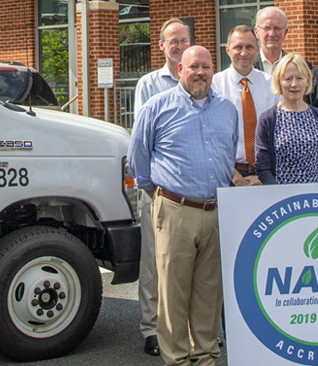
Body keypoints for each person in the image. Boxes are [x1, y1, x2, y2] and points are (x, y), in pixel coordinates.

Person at [127, 46, 237, 366]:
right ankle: (176, 359)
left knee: (208, 293)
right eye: (193, 67)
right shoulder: (157, 107)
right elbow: (138, 161)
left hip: (215, 210)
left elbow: (229, 153)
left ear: (213, 69)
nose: (200, 72)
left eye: (205, 66)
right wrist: (158, 195)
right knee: (173, 293)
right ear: (179, 70)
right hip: (175, 210)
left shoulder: (227, 110)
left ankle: (204, 356)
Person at [130, 17, 190, 357]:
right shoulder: (149, 84)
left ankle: (188, 327)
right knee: (154, 261)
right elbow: (142, 138)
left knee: (191, 261)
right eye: (173, 41)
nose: (179, 45)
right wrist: (147, 183)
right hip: (158, 189)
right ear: (162, 46)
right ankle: (151, 329)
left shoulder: (200, 79)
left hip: (194, 189)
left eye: (184, 40)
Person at [256, 53, 318, 184]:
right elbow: (263, 166)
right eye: (288, 79)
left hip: (316, 196)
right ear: (279, 81)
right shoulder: (268, 120)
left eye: (299, 78)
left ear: (307, 81)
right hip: (281, 198)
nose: (294, 84)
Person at [212, 25, 279, 186]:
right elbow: (210, 136)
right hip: (227, 175)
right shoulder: (214, 87)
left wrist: (264, 174)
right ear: (227, 50)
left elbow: (280, 132)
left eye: (249, 47)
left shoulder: (272, 85)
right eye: (238, 47)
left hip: (268, 174)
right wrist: (233, 174)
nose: (244, 53)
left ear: (257, 49)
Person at [253, 7, 310, 74]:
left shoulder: (301, 66)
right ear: (257, 32)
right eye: (267, 28)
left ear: (285, 32)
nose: (272, 34)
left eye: (277, 28)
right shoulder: (247, 66)